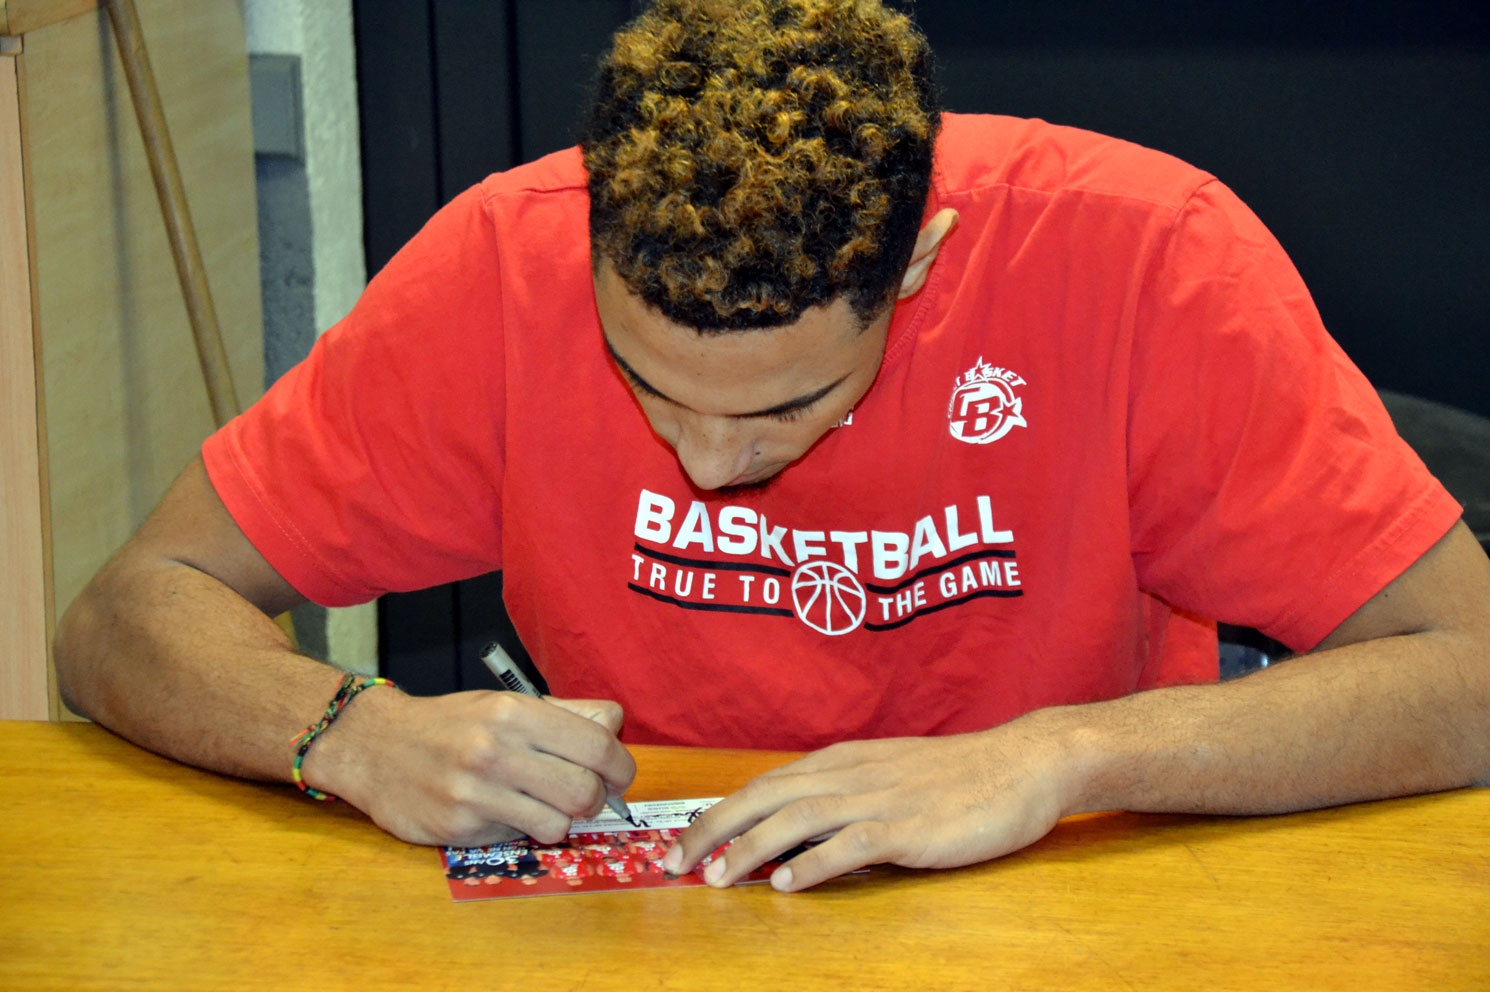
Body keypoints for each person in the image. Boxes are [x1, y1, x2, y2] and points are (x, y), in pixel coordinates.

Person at [55, 0, 1489, 894]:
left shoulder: (1144, 259)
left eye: (782, 410)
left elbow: (1470, 678)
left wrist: (1057, 759)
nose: (701, 464)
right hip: (663, 912)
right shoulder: (502, 261)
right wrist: (348, 734)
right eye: (644, 385)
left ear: (919, 262)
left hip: (1074, 887)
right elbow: (129, 610)